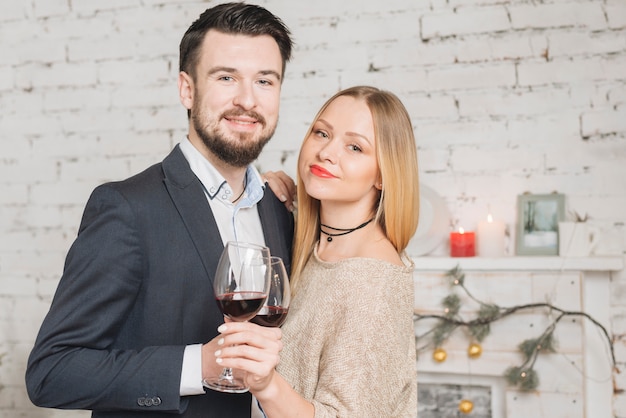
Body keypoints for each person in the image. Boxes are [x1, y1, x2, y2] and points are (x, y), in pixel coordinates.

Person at [25, 3, 294, 417]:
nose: (247, 99)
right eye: (226, 77)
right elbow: (51, 372)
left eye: (264, 80)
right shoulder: (126, 209)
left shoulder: (280, 211)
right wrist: (198, 366)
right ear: (187, 89)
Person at [214, 85, 420, 417]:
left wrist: (266, 384)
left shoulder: (372, 281)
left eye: (355, 147)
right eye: (322, 133)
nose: (326, 152)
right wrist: (268, 205)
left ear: (383, 174)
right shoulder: (308, 244)